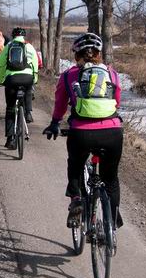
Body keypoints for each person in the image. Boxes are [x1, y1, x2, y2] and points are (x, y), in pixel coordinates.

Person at [43, 32, 124, 229]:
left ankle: (77, 198)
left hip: (81, 133)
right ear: (99, 54)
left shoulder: (69, 75)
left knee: (75, 166)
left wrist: (55, 123)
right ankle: (112, 219)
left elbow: (61, 103)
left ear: (77, 55)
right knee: (111, 179)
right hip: (112, 132)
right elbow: (117, 102)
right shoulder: (111, 74)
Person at [0, 27, 38, 149]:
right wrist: (34, 79)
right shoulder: (29, 46)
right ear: (24, 36)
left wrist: (0, 80)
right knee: (28, 89)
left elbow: (1, 65)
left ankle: (10, 139)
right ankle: (28, 112)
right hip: (27, 78)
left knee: (10, 108)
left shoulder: (8, 46)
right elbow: (35, 63)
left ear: (13, 36)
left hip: (12, 79)